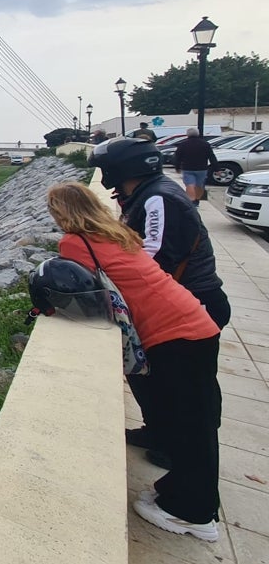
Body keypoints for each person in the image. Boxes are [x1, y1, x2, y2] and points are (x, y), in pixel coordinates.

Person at [43, 182, 221, 542]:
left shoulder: (75, 243)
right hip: (193, 320)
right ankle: (179, 493)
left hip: (173, 333)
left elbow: (78, 290)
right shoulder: (117, 232)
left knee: (189, 427)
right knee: (193, 421)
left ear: (61, 213)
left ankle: (194, 513)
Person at [87, 136, 229, 468]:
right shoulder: (142, 194)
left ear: (123, 168)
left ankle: (179, 451)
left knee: (186, 388)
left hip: (193, 301)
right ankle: (159, 431)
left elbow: (155, 256)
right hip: (172, 304)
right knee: (151, 377)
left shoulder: (158, 199)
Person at [174, 128, 219, 206]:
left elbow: (177, 157)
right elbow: (211, 156)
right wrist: (216, 169)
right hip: (202, 168)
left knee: (190, 184)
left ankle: (191, 200)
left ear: (187, 134)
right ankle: (197, 200)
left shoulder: (183, 144)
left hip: (188, 168)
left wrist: (177, 167)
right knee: (199, 185)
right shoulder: (205, 144)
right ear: (198, 134)